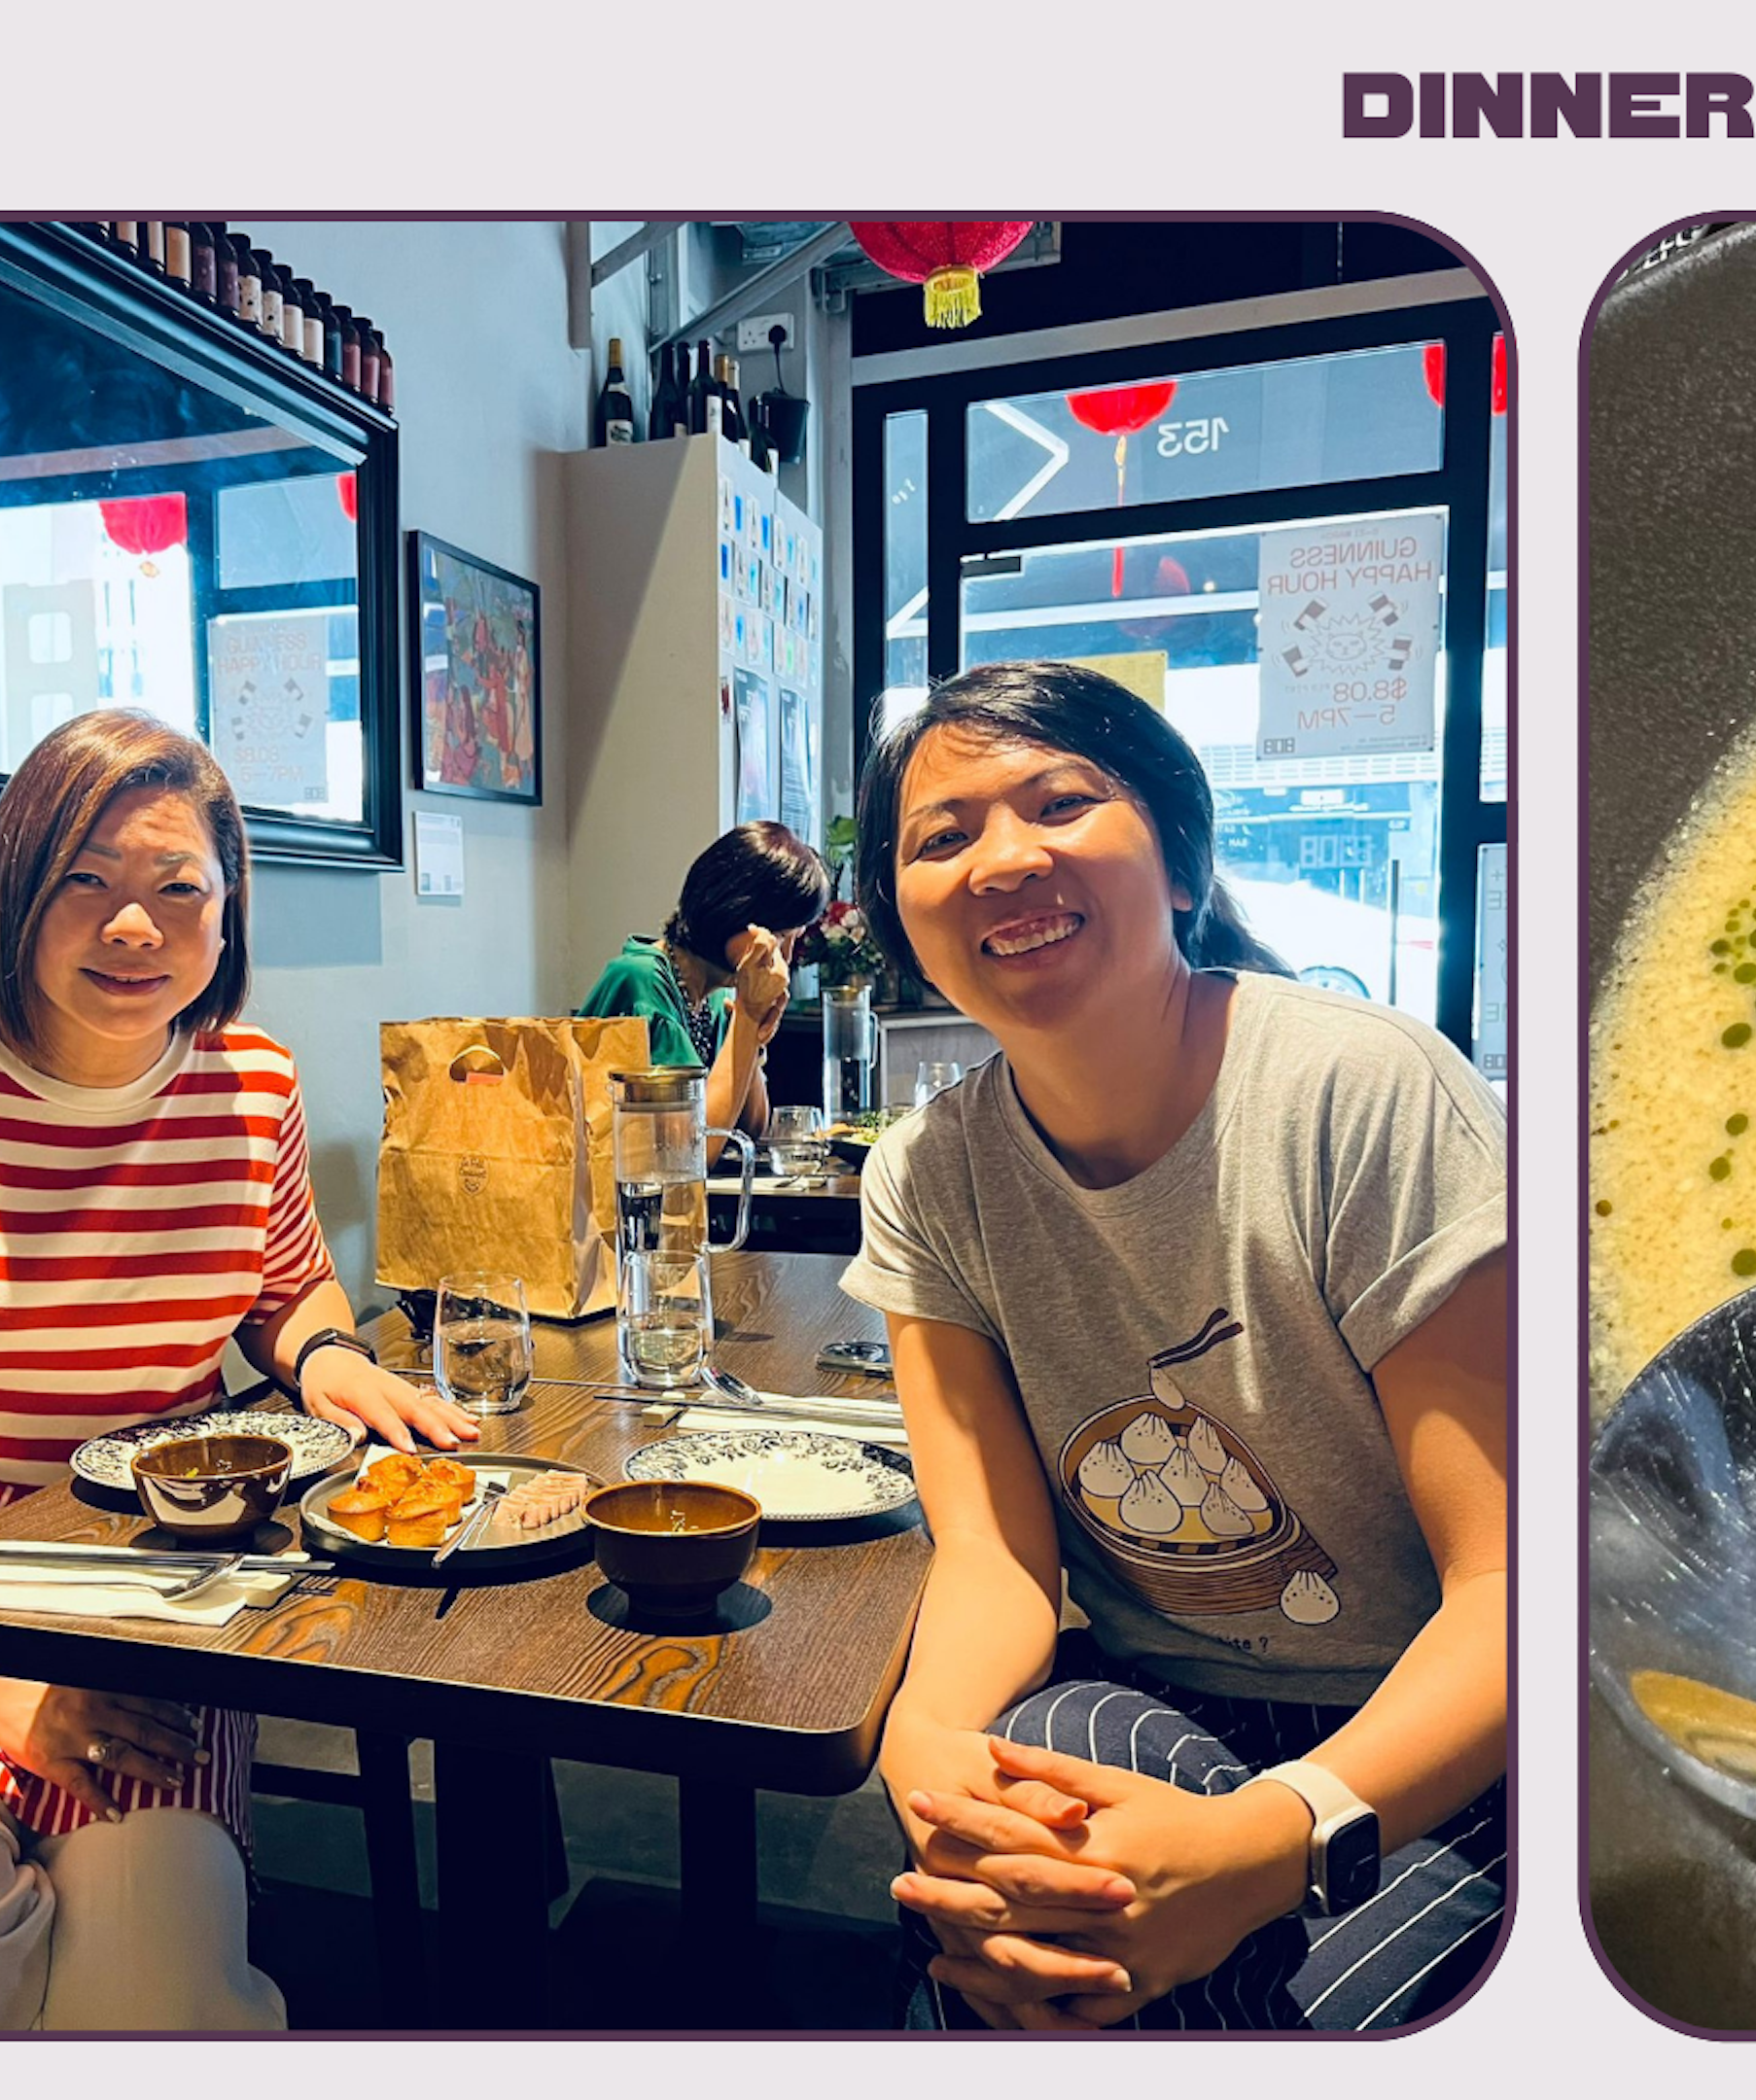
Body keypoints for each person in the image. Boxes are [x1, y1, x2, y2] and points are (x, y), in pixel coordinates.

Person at [0, 710, 483, 2029]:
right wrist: (4, 1687)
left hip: (156, 1561)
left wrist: (322, 1354)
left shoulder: (248, 1083)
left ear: (225, 913)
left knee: (159, 2001)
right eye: (84, 880)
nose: (132, 926)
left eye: (174, 887)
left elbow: (285, 1285)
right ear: (13, 894)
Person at [839, 663, 1508, 2032]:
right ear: (904, 922)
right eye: (942, 836)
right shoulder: (927, 1172)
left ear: (1184, 858)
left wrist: (1275, 1836)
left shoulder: (1359, 1091)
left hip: (1445, 1726)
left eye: (1061, 802)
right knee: (1030, 1850)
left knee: (1291, 2008)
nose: (1003, 859)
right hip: (1154, 1702)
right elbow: (997, 1558)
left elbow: (1511, 1587)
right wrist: (925, 1745)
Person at [573, 821, 827, 1140]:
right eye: (779, 935)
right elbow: (690, 1150)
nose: (785, 957)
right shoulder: (642, 980)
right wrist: (748, 1014)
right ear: (734, 911)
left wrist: (755, 1033)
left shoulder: (717, 999)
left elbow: (753, 1127)